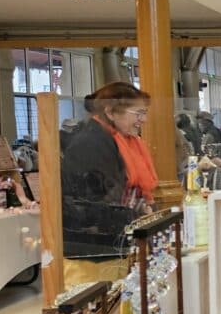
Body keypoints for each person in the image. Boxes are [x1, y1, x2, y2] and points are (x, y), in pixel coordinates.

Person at [61, 82, 158, 273]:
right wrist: (137, 212)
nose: (143, 119)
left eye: (144, 113)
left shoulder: (119, 140)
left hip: (114, 242)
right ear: (110, 112)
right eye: (138, 113)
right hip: (94, 250)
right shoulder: (91, 144)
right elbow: (94, 202)